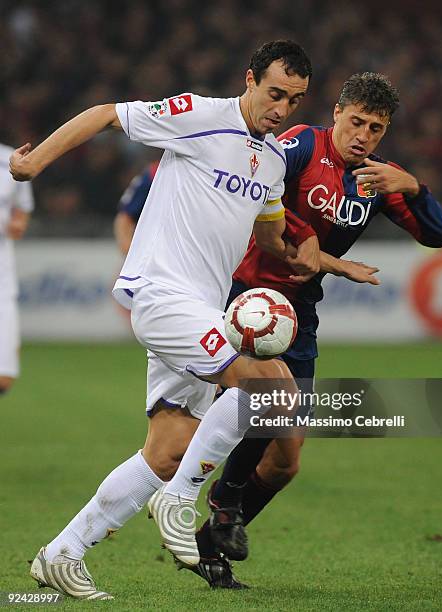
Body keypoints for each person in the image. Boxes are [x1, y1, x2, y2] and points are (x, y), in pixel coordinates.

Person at [10, 40, 326, 600]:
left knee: (169, 449)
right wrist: (34, 163)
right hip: (162, 294)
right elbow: (108, 114)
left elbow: (271, 233)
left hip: (206, 309)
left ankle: (62, 555)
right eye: (274, 93)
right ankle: (179, 499)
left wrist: (315, 254)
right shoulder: (200, 116)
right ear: (249, 79)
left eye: (295, 100)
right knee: (270, 389)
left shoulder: (273, 158)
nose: (281, 108)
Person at [146, 71, 442, 587]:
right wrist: (305, 235)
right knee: (266, 401)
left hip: (300, 313)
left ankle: (210, 536)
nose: (364, 136)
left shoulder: (377, 179)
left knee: (287, 462)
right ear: (336, 113)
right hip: (248, 298)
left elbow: (439, 235)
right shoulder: (300, 146)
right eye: (356, 122)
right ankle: (220, 505)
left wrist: (415, 188)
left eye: (376, 129)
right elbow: (255, 192)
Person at [0, 143, 34, 396]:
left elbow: (23, 207)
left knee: (4, 379)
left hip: (2, 273)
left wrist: (18, 222)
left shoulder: (9, 158)